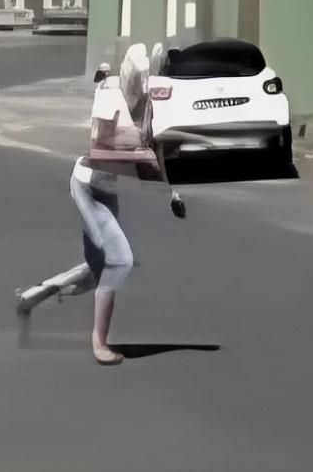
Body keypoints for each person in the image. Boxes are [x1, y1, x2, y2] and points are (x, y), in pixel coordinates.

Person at [15, 44, 185, 365]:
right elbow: (98, 146)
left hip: (107, 190)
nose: (141, 86)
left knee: (96, 270)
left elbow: (157, 149)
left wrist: (172, 192)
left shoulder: (149, 105)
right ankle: (99, 343)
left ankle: (37, 293)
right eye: (138, 80)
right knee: (119, 261)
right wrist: (133, 154)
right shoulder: (110, 96)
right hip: (87, 185)